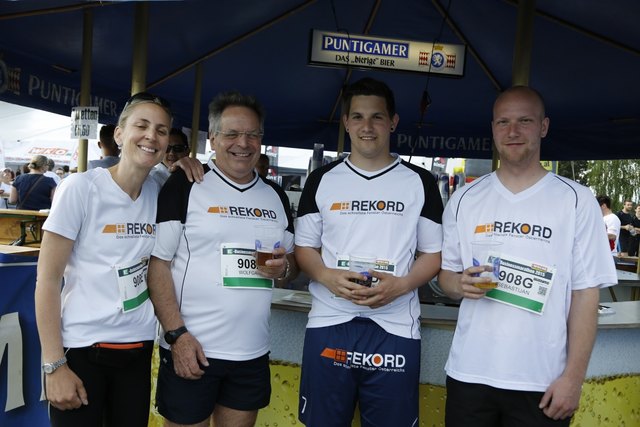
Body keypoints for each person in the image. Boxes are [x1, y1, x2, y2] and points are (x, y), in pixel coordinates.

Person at [438, 86, 617, 427]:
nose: (513, 131)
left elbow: (586, 294)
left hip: (543, 382)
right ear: (493, 128)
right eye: (503, 122)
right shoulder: (464, 199)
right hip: (470, 374)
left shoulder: (576, 200)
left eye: (524, 121)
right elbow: (445, 277)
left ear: (543, 127)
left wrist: (573, 379)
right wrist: (460, 285)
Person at [34, 92, 203, 427]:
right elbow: (48, 280)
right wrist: (53, 365)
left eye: (161, 130)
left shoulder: (160, 192)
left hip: (137, 351)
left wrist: (186, 166)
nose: (151, 136)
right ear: (120, 134)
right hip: (83, 349)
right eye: (142, 126)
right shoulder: (80, 188)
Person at [294, 77, 443, 426]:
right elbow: (304, 248)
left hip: (395, 327)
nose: (367, 126)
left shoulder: (421, 182)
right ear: (346, 123)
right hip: (330, 321)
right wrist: (326, 275)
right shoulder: (321, 179)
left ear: (393, 122)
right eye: (358, 117)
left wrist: (402, 285)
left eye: (377, 117)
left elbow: (433, 255)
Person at [148, 91, 298, 427]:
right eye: (231, 133)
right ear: (213, 138)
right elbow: (157, 265)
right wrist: (176, 335)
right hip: (192, 348)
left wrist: (285, 268)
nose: (242, 143)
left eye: (252, 134)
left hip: (251, 353)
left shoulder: (275, 195)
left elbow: (291, 263)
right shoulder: (186, 184)